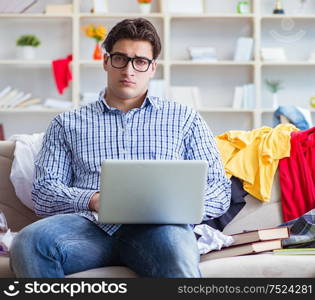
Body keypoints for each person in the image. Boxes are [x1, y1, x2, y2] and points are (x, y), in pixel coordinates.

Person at [10, 18, 231, 278]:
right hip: (87, 229)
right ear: (106, 61)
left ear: (152, 68)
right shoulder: (66, 123)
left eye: (140, 61)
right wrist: (93, 200)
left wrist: (176, 207)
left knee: (176, 250)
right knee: (30, 241)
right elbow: (44, 192)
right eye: (120, 59)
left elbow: (218, 189)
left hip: (160, 229)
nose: (129, 70)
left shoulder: (185, 119)